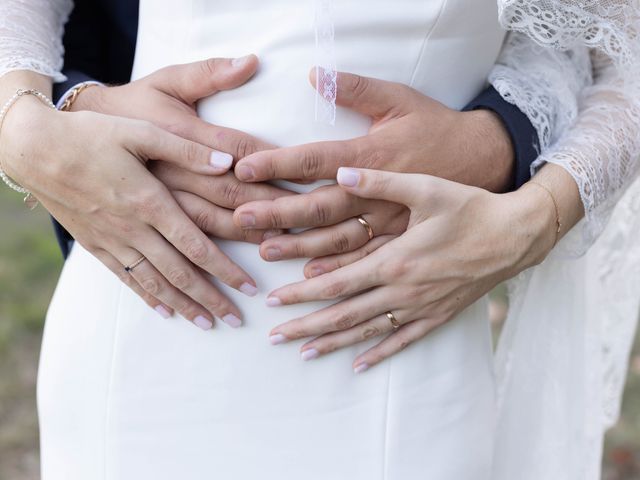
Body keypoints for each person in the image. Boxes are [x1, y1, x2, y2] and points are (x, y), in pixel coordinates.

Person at [0, 1, 637, 480]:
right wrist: (24, 125)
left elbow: (620, 50)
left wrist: (533, 217)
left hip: (396, 338)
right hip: (143, 328)